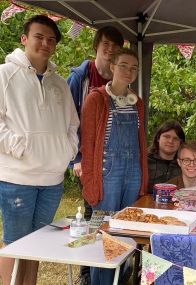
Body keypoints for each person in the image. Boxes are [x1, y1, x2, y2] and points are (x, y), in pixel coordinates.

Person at [0, 15, 79, 285]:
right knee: (14, 244)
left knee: (37, 245)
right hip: (17, 178)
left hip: (52, 180)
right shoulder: (4, 74)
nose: (45, 43)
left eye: (51, 39)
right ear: (24, 39)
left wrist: (67, 151)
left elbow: (72, 123)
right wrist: (18, 147)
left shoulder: (59, 82)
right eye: (39, 37)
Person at [80, 48, 147, 285]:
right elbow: (87, 147)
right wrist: (89, 183)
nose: (129, 71)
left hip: (133, 172)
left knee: (125, 232)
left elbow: (140, 144)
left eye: (134, 68)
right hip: (107, 172)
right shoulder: (96, 99)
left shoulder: (136, 102)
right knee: (104, 235)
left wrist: (142, 177)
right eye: (123, 66)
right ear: (112, 67)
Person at [67, 25, 123, 285]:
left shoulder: (119, 80)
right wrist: (76, 159)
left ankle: (112, 271)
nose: (110, 50)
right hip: (87, 159)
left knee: (111, 217)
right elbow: (67, 120)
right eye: (106, 44)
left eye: (115, 46)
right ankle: (87, 275)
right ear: (97, 46)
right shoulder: (81, 77)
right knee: (93, 216)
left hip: (113, 162)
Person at [148, 120, 185, 192]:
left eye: (176, 138)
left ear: (181, 143)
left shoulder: (185, 165)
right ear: (158, 138)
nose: (170, 141)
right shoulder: (144, 161)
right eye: (167, 136)